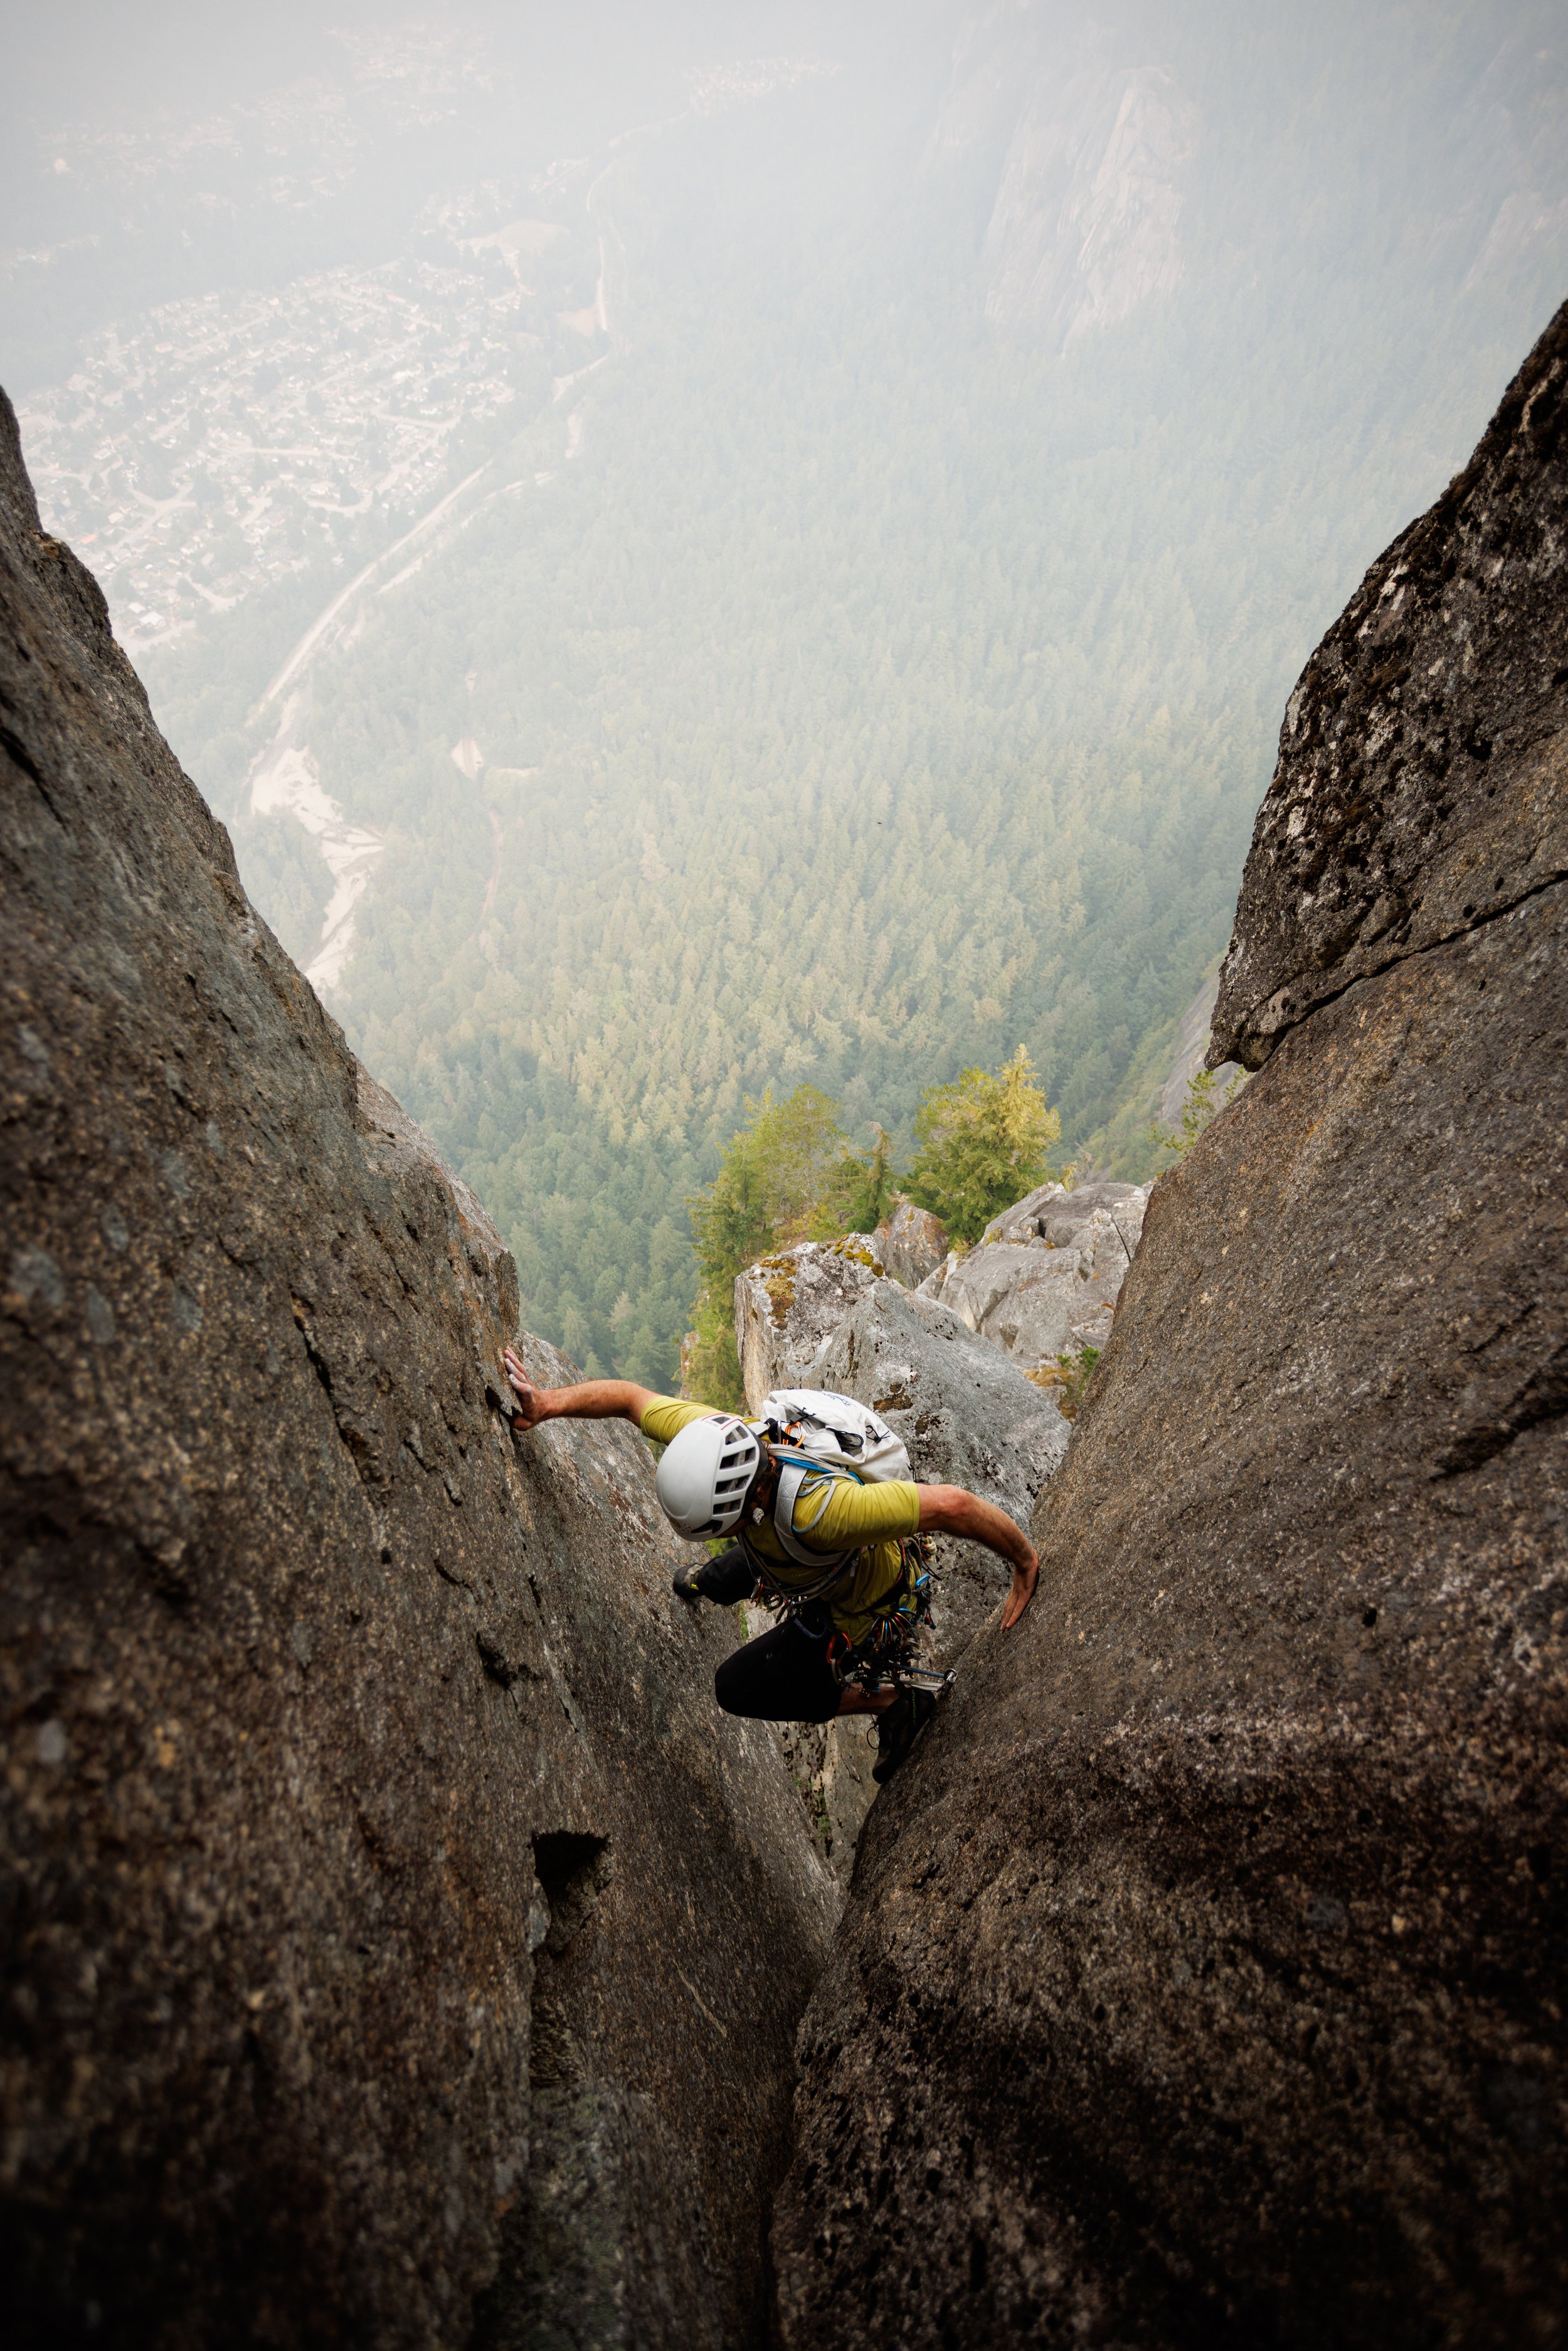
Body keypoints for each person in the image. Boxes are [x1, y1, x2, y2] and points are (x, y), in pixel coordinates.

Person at [502, 1346, 1039, 1783]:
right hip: (789, 1552)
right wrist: (546, 1404)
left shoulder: (822, 1515)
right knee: (723, 1576)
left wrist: (1023, 1561)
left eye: (723, 1528)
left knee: (736, 1687)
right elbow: (630, 1400)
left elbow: (953, 1506)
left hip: (858, 1604)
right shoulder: (723, 1438)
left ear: (746, 1509)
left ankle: (895, 1701)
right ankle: (715, 1581)